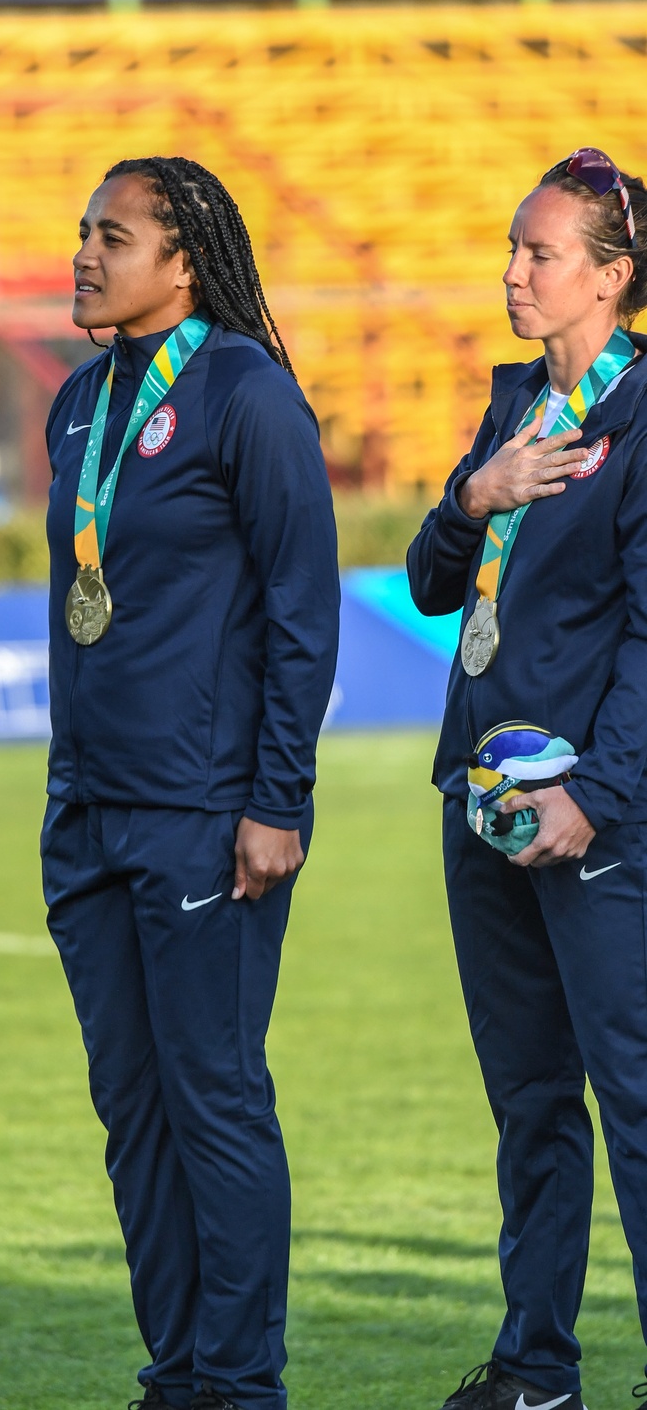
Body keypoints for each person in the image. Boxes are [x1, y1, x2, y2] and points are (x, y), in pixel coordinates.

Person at [40, 156, 340, 1410]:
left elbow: (301, 610)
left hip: (205, 812)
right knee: (132, 1108)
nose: (85, 254)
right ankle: (175, 1373)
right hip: (87, 810)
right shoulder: (75, 401)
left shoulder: (244, 393)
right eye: (82, 232)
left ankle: (241, 1381)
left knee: (212, 1097)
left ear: (181, 262)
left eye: (114, 236)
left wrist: (277, 800)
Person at [408, 148, 647, 1409]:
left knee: (637, 1103)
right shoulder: (514, 409)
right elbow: (433, 581)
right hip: (484, 805)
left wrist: (592, 795)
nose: (510, 271)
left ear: (609, 280)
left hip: (594, 821)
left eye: (538, 254)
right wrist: (472, 492)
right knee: (530, 1104)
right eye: (511, 247)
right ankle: (534, 1368)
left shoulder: (642, 414)